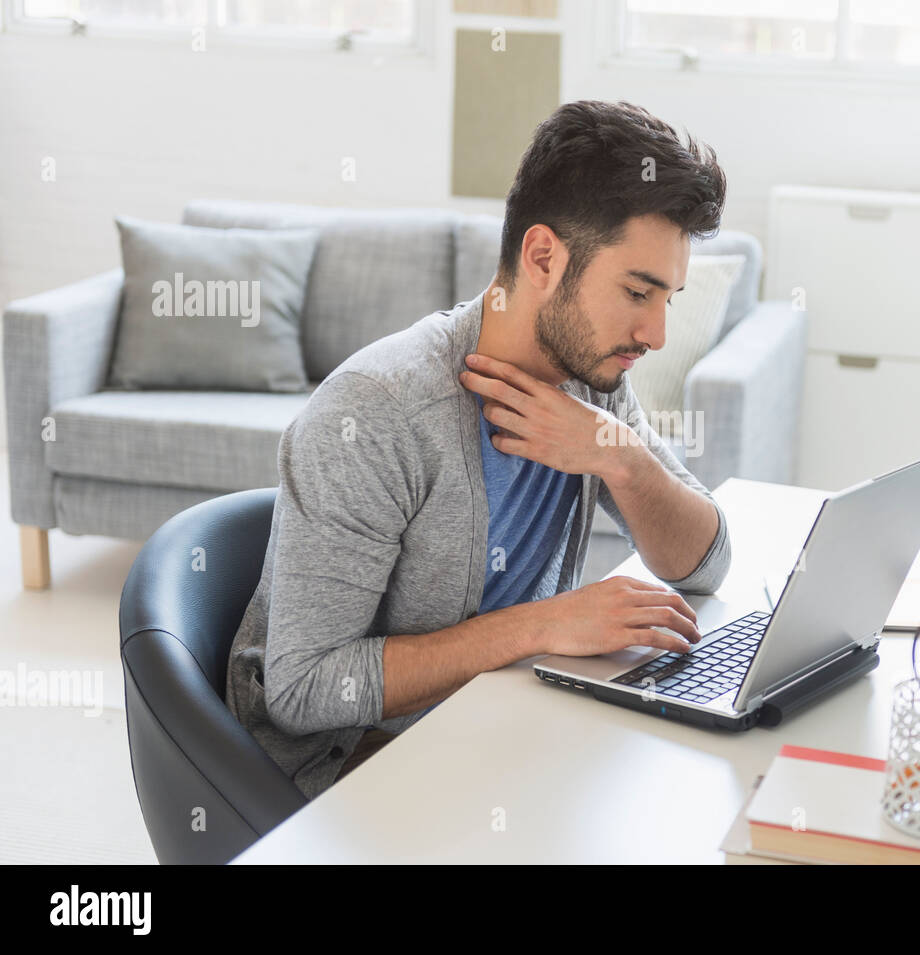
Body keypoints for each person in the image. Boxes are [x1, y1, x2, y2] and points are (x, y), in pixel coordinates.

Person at [225, 100, 733, 799]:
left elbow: (705, 563)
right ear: (544, 257)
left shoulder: (595, 382)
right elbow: (306, 688)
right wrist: (543, 624)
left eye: (667, 299)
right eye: (637, 291)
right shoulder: (379, 411)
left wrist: (618, 454)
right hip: (350, 771)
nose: (655, 333)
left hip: (504, 729)